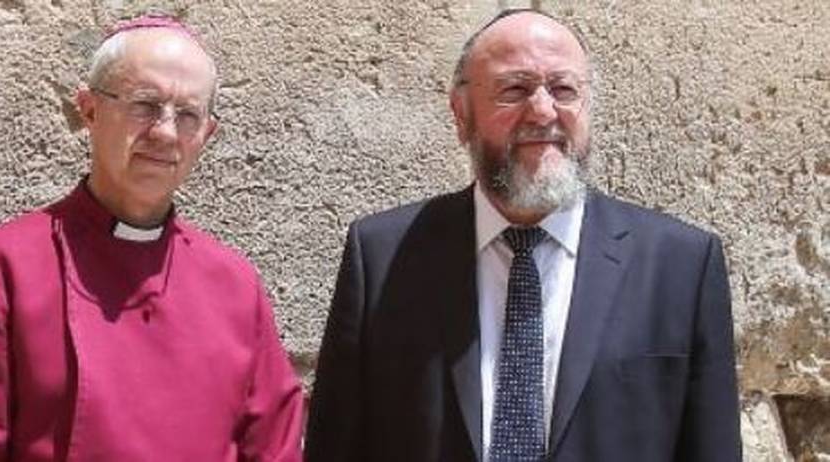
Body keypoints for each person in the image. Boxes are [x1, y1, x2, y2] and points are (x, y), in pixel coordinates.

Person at [306, 9, 740, 462]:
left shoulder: (681, 267)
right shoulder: (383, 258)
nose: (543, 110)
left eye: (564, 89)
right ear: (461, 115)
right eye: (514, 90)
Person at [0, 14, 304, 462]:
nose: (164, 133)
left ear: (207, 134)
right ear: (89, 110)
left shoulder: (235, 283)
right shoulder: (4, 265)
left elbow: (275, 450)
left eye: (187, 115)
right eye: (145, 105)